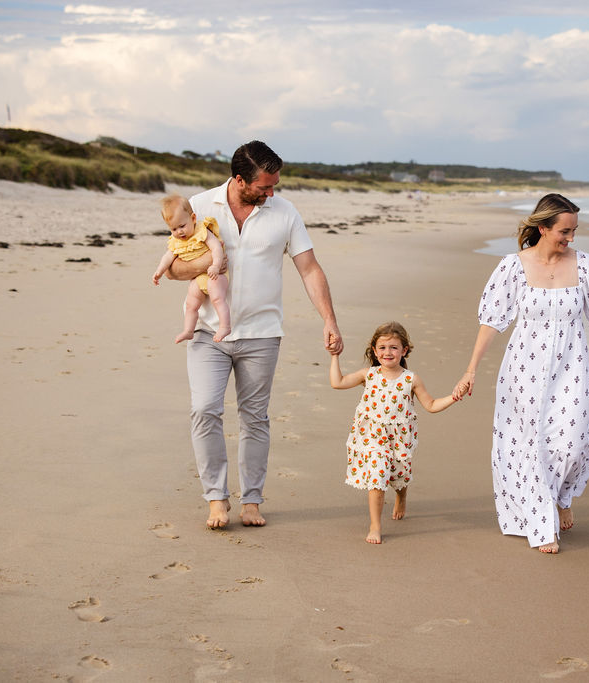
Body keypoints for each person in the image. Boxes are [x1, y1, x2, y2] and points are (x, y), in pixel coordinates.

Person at [452, 193, 589, 554]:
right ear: (543, 227)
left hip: (571, 368)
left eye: (575, 230)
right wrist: (470, 371)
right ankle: (542, 523)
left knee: (571, 441)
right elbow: (491, 322)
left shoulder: (586, 266)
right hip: (522, 370)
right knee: (529, 443)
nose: (571, 238)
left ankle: (562, 497)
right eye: (565, 231)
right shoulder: (512, 267)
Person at [164, 140, 343, 529]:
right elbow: (174, 268)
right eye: (264, 186)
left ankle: (251, 500)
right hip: (208, 331)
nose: (271, 193)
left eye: (274, 184)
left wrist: (328, 319)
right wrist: (212, 263)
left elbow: (309, 269)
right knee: (205, 410)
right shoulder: (199, 206)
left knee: (254, 418)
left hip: (262, 333)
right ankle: (215, 498)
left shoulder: (284, 212)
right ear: (240, 179)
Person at [330, 322, 456, 544]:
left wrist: (454, 397)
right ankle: (375, 526)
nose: (388, 352)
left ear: (404, 350)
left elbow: (432, 405)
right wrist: (334, 357)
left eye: (394, 347)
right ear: (375, 350)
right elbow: (337, 383)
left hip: (399, 440)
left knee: (399, 475)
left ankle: (401, 497)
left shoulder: (410, 379)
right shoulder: (368, 375)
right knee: (377, 478)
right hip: (372, 437)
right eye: (383, 347)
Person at [152, 194, 231, 343]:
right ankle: (188, 330)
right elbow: (168, 257)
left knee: (217, 298)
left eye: (182, 226)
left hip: (216, 275)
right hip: (198, 278)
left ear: (193, 218)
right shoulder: (177, 241)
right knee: (191, 304)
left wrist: (215, 265)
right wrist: (159, 271)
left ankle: (225, 326)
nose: (179, 232)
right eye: (174, 229)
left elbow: (217, 248)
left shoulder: (202, 232)